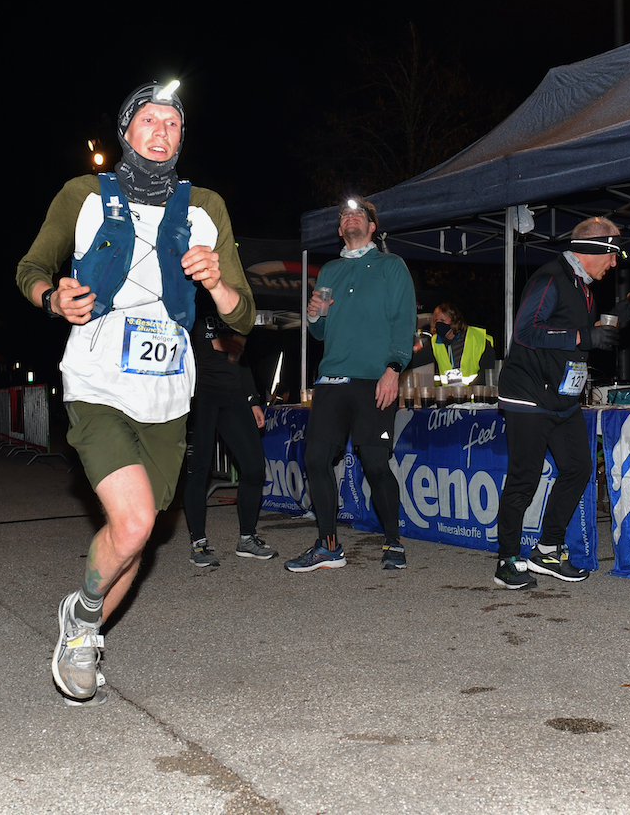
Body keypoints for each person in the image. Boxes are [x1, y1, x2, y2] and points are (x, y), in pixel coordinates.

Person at [16, 80, 255, 705]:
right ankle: (83, 627)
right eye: (149, 120)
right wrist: (53, 297)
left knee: (137, 539)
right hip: (96, 378)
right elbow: (31, 268)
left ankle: (82, 619)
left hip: (170, 392)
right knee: (134, 519)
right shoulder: (83, 194)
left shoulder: (206, 206)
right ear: (127, 131)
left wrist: (216, 282)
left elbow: (242, 315)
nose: (162, 131)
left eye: (173, 123)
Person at [494, 216, 630, 590]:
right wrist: (583, 334)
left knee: (578, 468)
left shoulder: (582, 286)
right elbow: (525, 331)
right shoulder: (550, 278)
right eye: (613, 255)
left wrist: (610, 323)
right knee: (524, 479)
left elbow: (574, 336)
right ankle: (507, 560)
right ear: (595, 249)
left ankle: (547, 549)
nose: (615, 263)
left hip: (562, 398)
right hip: (527, 395)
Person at [287, 197, 415, 573]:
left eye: (359, 213)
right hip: (331, 380)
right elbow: (321, 331)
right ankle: (328, 545)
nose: (351, 218)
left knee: (375, 463)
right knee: (315, 459)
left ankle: (393, 540)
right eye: (345, 215)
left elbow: (403, 321)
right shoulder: (328, 270)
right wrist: (314, 315)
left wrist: (394, 369)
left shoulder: (392, 266)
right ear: (340, 229)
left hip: (375, 380)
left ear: (372, 227)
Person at [182, 316, 276, 567]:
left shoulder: (234, 307)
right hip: (201, 395)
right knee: (199, 470)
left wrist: (253, 399)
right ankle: (198, 542)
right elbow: (198, 347)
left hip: (233, 395)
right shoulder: (196, 302)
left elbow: (241, 357)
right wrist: (231, 342)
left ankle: (247, 537)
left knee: (255, 468)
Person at [407, 302, 496, 382]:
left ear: (454, 321)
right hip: (450, 397)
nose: (438, 324)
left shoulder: (478, 340)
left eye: (442, 320)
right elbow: (415, 360)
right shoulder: (436, 343)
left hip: (476, 396)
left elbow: (488, 374)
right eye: (436, 321)